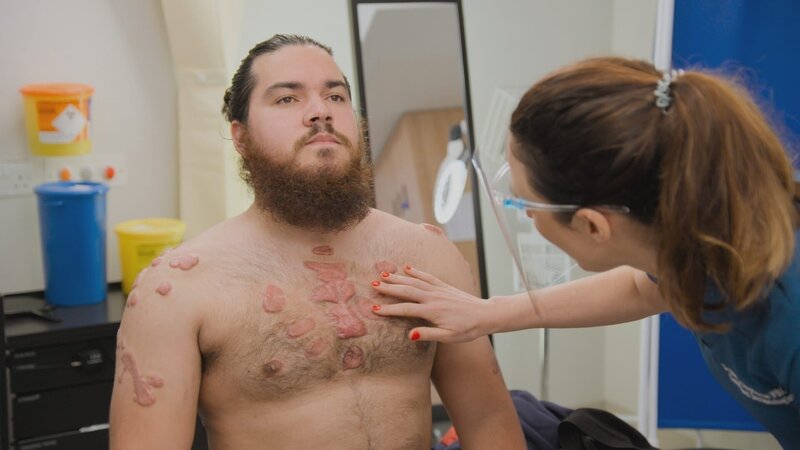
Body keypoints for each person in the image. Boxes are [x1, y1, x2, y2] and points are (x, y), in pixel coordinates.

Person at [109, 34, 525, 450]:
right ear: (240, 137)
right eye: (287, 99)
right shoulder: (180, 287)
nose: (320, 112)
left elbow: (489, 420)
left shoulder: (426, 254)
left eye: (336, 97)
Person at [371, 57, 800, 447]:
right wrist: (488, 312)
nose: (526, 217)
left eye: (522, 204)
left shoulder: (787, 317)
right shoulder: (706, 239)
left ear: (593, 225)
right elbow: (643, 288)